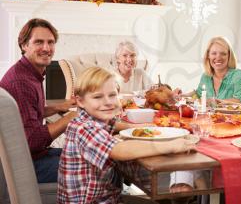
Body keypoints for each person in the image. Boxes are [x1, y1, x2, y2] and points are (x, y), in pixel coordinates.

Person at [57, 67, 196, 203]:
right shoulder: (83, 127)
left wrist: (140, 127)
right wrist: (170, 145)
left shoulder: (98, 121)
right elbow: (119, 150)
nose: (107, 102)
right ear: (80, 101)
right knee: (175, 190)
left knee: (172, 188)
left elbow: (114, 125)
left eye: (112, 95)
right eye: (98, 97)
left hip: (109, 198)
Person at [0, 18, 76, 183]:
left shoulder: (28, 73)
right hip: (26, 165)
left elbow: (31, 111)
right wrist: (68, 119)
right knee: (99, 168)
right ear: (24, 45)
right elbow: (32, 140)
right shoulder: (21, 82)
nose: (46, 48)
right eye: (38, 42)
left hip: (30, 156)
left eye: (51, 42)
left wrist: (59, 107)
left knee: (85, 153)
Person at [180, 36, 241, 103]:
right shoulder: (206, 76)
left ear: (229, 56)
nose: (218, 57)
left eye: (223, 54)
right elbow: (199, 94)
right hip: (208, 114)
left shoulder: (239, 75)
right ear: (208, 56)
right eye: (214, 53)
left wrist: (216, 102)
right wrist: (183, 96)